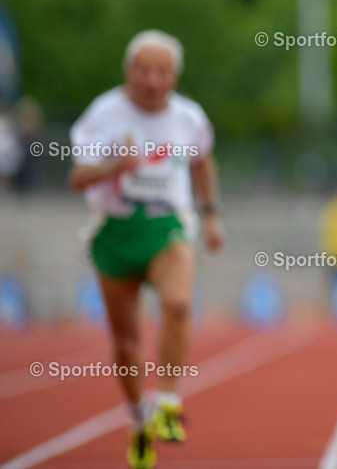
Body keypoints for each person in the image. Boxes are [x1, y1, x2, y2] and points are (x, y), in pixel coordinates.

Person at [69, 30, 224, 469]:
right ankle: (139, 420)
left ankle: (169, 399)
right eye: (143, 71)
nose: (152, 81)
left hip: (167, 224)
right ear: (128, 72)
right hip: (115, 231)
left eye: (162, 72)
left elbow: (203, 160)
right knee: (126, 339)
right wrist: (115, 165)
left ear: (175, 75)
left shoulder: (189, 117)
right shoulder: (104, 114)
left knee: (177, 305)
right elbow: (78, 178)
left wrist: (211, 213)